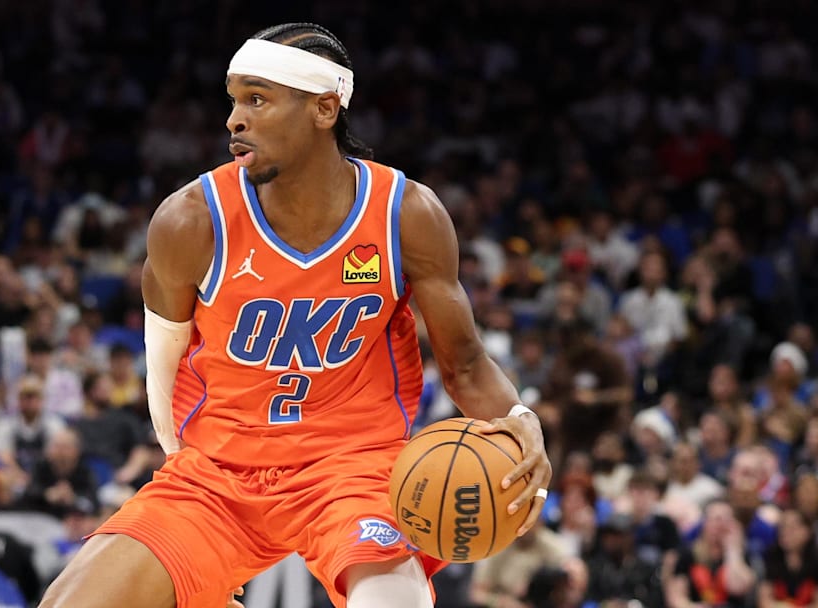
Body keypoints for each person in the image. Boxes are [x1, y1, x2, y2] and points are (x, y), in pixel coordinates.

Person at [41, 22, 551, 608]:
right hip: (221, 472)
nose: (234, 120)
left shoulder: (404, 214)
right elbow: (163, 370)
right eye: (233, 101)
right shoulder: (189, 220)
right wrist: (182, 465)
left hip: (353, 468)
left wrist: (517, 417)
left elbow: (464, 366)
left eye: (257, 99)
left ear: (325, 109)